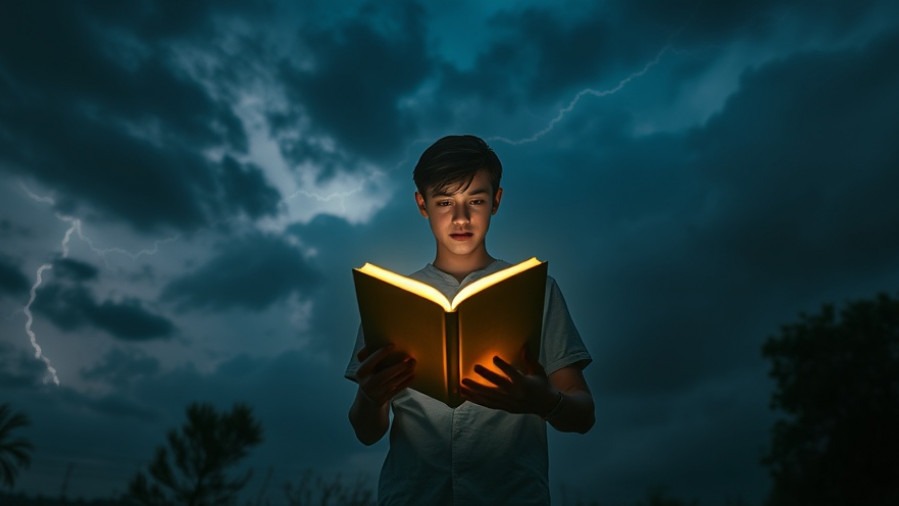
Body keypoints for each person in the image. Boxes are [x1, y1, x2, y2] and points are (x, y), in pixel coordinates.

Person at [345, 134, 594, 505]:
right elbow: (366, 432)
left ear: (496, 200)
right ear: (422, 205)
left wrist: (543, 401)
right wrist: (371, 395)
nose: (460, 218)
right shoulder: (392, 299)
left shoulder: (536, 291)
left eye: (475, 200)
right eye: (444, 202)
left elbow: (583, 414)